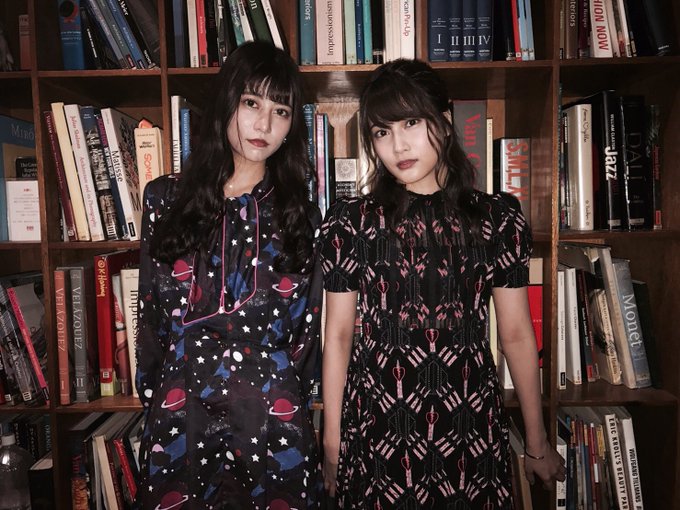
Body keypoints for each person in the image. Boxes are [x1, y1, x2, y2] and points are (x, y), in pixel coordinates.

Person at [320, 59, 565, 508]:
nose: (398, 144)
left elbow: (515, 334)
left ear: (445, 122)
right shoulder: (351, 223)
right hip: (377, 426)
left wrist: (536, 441)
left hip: (469, 423)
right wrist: (332, 441)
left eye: (412, 123)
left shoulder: (497, 219)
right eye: (382, 131)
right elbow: (337, 336)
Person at [135, 41, 322, 509]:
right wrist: (157, 399)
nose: (264, 124)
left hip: (271, 417)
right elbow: (152, 319)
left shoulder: (300, 216)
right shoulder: (165, 200)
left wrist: (286, 400)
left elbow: (306, 333)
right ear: (226, 103)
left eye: (281, 111)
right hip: (181, 411)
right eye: (252, 103)